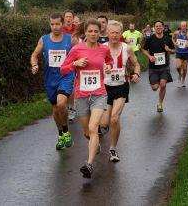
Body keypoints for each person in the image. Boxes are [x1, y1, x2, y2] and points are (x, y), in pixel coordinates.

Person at [61, 18, 113, 178]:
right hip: (81, 95)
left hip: (99, 94)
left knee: (93, 127)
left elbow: (109, 60)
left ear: (100, 32)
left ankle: (89, 164)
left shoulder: (104, 49)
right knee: (86, 132)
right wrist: (75, 64)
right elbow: (63, 69)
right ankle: (94, 143)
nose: (93, 34)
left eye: (96, 31)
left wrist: (109, 66)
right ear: (85, 32)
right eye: (90, 31)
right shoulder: (77, 49)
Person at [31, 13, 75, 150]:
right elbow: (34, 55)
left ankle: (67, 132)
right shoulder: (44, 40)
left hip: (66, 76)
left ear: (62, 24)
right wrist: (34, 65)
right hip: (51, 78)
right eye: (52, 24)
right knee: (55, 111)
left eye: (57, 24)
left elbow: (82, 52)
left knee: (62, 103)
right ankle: (61, 134)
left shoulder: (71, 39)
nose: (55, 27)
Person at [100, 20, 140, 162]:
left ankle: (112, 149)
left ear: (121, 33)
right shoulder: (101, 48)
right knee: (104, 124)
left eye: (117, 32)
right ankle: (99, 133)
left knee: (114, 118)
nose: (115, 35)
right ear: (108, 33)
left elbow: (136, 64)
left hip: (121, 87)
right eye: (112, 32)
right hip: (105, 88)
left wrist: (136, 74)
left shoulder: (127, 48)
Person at [142, 21, 175, 112]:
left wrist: (169, 50)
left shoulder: (167, 39)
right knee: (155, 88)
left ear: (163, 27)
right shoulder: (150, 39)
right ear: (154, 28)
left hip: (164, 67)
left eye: (160, 26)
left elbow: (174, 50)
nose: (158, 27)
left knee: (163, 85)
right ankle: (156, 84)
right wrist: (149, 56)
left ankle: (160, 103)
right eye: (156, 26)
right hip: (153, 67)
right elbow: (144, 50)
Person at [172, 21, 188, 87]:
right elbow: (172, 38)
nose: (183, 27)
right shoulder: (176, 33)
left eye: (184, 26)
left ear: (186, 27)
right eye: (182, 26)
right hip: (178, 52)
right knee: (178, 67)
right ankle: (180, 75)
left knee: (184, 68)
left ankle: (183, 80)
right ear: (180, 26)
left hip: (186, 52)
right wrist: (174, 43)